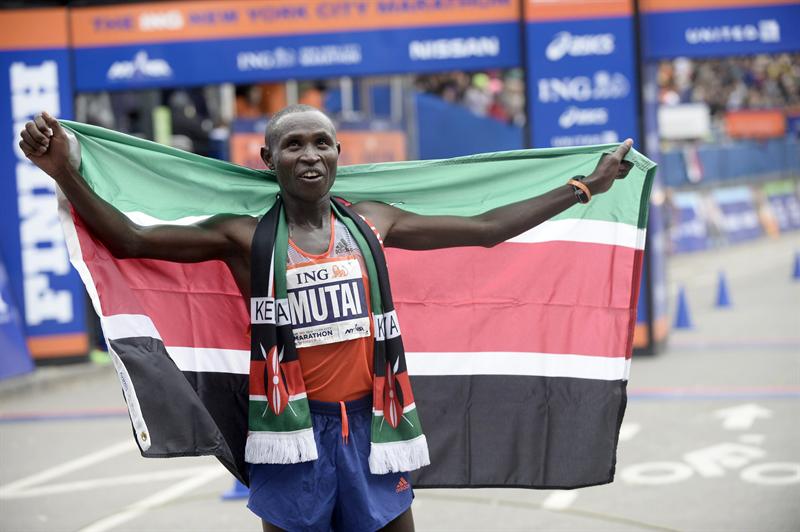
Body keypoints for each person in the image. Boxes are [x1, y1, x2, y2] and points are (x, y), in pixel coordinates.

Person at [20, 106, 632, 532]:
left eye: (321, 143)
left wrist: (584, 188)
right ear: (267, 160)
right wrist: (64, 171)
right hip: (290, 434)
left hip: (375, 429)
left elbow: (486, 230)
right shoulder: (244, 237)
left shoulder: (372, 222)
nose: (309, 154)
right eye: (293, 144)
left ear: (339, 154)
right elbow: (128, 239)